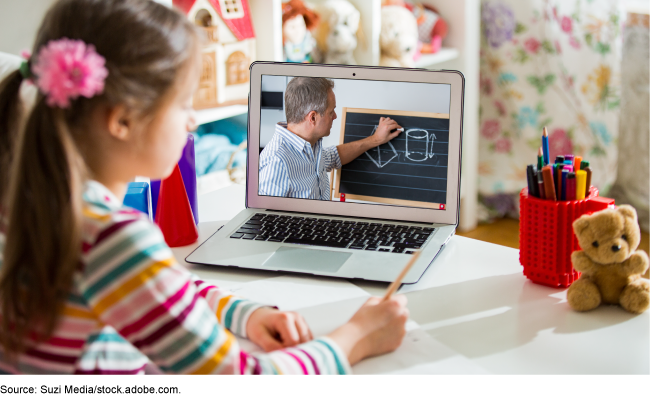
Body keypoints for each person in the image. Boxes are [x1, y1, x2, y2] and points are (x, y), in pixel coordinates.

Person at [0, 0, 408, 374]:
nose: (193, 121)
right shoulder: (113, 237)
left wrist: (243, 314)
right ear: (121, 120)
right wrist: (356, 337)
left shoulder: (32, 204)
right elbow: (246, 381)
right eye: (183, 104)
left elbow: (160, 288)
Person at [259, 77, 402, 200]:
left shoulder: (310, 145)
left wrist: (375, 139)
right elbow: (265, 223)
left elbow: (334, 156)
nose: (335, 116)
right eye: (331, 111)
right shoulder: (277, 163)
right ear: (313, 117)